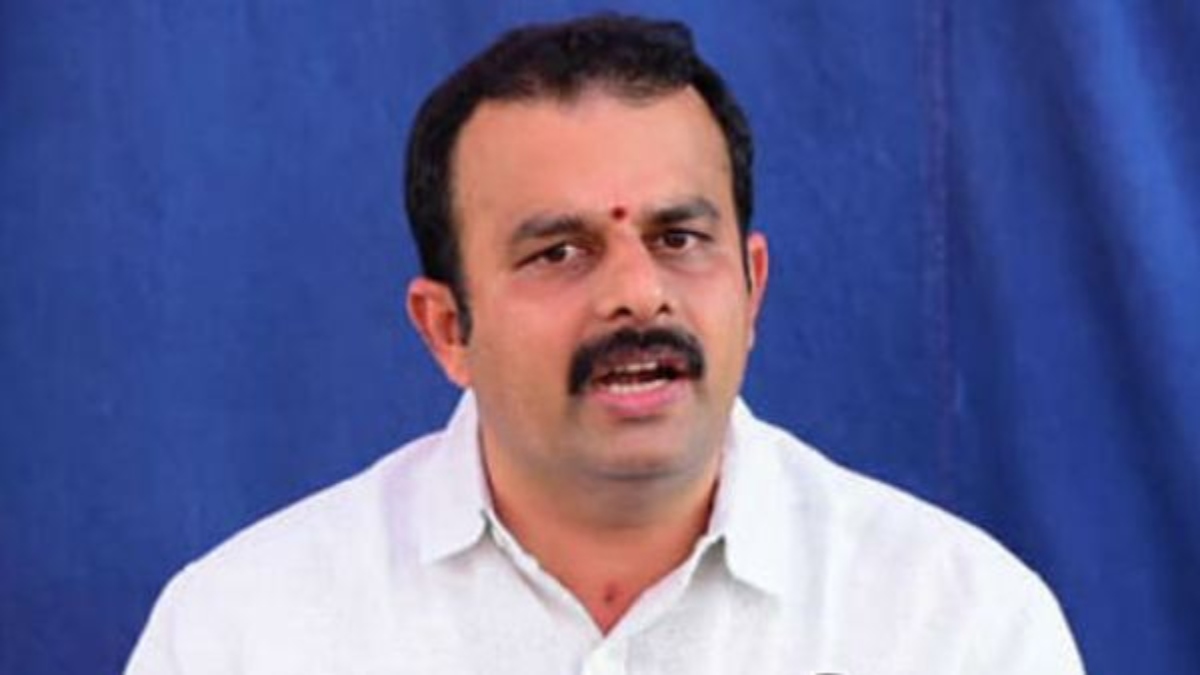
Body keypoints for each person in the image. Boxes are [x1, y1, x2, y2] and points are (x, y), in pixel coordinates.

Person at [126, 13, 1084, 674]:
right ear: (448, 329)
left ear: (752, 286)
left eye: (679, 238)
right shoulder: (247, 631)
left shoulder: (955, 623)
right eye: (559, 251)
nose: (636, 293)